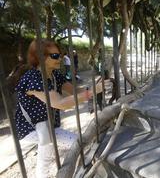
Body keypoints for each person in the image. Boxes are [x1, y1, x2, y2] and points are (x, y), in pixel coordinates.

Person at [14, 39, 103, 178]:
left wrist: (92, 89)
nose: (60, 58)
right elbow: (60, 103)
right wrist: (90, 93)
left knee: (46, 158)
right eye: (54, 56)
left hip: (47, 126)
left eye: (59, 55)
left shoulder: (54, 74)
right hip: (30, 129)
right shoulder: (33, 78)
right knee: (79, 143)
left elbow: (73, 91)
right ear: (40, 57)